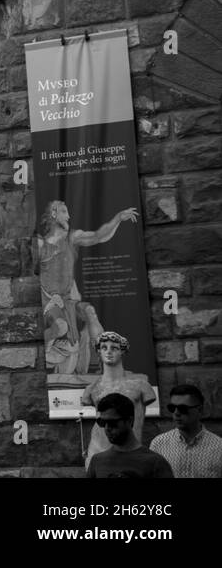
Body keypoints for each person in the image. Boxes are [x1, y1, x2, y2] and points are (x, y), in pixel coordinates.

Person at [35, 200, 138, 376]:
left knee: (89, 311)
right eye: (64, 212)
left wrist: (118, 219)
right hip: (49, 302)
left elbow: (98, 235)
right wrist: (50, 298)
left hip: (68, 301)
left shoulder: (72, 238)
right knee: (60, 327)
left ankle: (103, 365)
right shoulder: (40, 244)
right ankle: (46, 350)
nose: (69, 216)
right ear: (53, 213)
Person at [80, 331, 157, 466]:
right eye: (104, 348)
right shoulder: (91, 389)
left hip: (130, 452)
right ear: (99, 351)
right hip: (98, 451)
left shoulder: (141, 386)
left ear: (122, 351)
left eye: (114, 348)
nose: (108, 352)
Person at [86, 393, 174, 478]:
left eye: (112, 422)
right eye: (102, 422)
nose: (107, 428)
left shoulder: (155, 463)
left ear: (129, 420)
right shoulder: (97, 461)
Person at [148, 384, 222, 477]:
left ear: (199, 410)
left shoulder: (219, 448)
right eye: (172, 408)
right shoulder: (158, 444)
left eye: (183, 409)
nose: (176, 413)